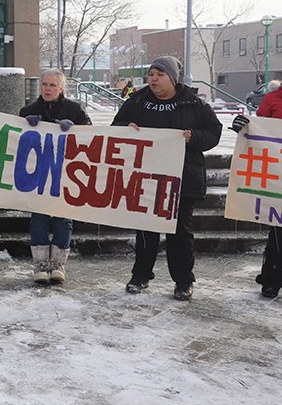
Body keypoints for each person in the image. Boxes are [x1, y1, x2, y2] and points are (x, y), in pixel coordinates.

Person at [111, 56, 221, 301]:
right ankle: (140, 275)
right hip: (146, 179)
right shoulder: (137, 101)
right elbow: (115, 127)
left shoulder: (194, 104)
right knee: (146, 231)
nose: (153, 79)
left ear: (172, 78)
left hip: (183, 179)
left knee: (180, 232)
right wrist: (125, 128)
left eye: (159, 74)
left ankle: (183, 281)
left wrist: (193, 137)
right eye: (151, 74)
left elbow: (214, 132)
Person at [19, 69, 91, 284]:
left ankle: (58, 264)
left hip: (66, 171)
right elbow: (16, 138)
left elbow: (90, 133)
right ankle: (40, 264)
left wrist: (75, 128)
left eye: (52, 85)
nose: (48, 89)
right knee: (39, 218)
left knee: (63, 218)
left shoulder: (74, 109)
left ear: (62, 88)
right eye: (45, 85)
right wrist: (24, 124)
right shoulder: (28, 110)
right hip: (38, 173)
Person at [231, 79, 282, 298]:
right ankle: (272, 279)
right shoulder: (272, 98)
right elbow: (260, 130)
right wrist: (244, 127)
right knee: (279, 232)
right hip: (278, 171)